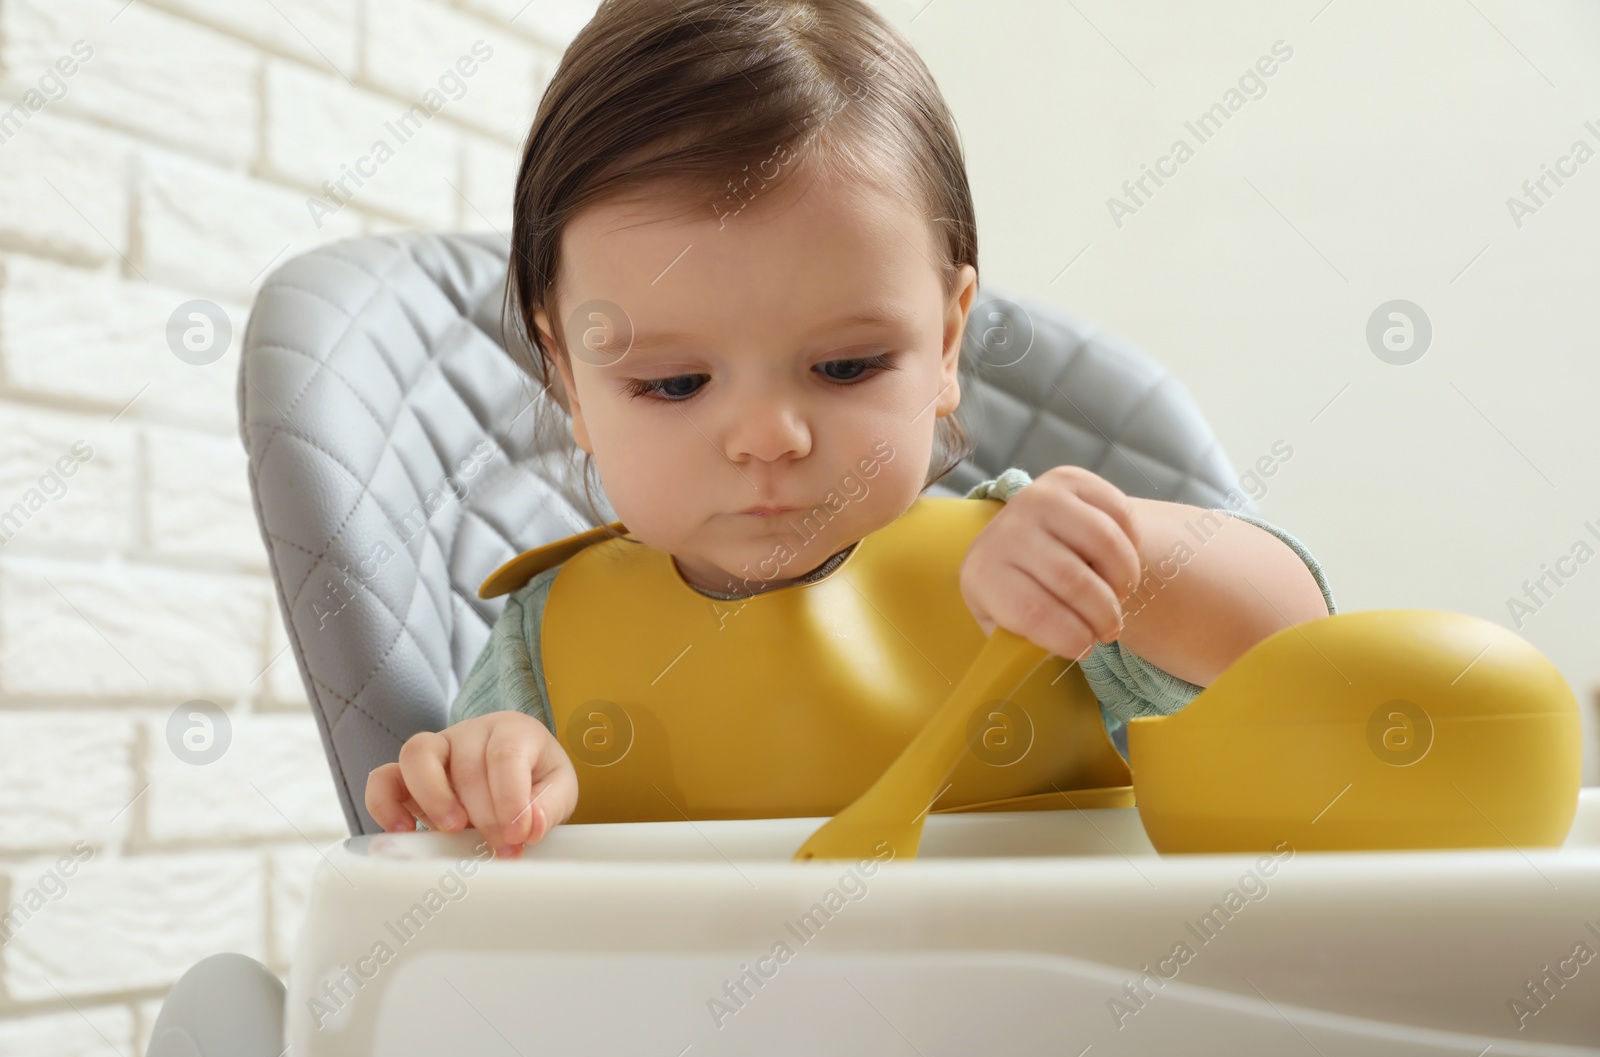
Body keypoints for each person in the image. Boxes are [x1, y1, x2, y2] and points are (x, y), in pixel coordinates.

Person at [366, 0, 1335, 859]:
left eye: (844, 367)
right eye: (671, 382)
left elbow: (1301, 651)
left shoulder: (1024, 578)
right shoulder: (547, 645)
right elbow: (483, 909)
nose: (768, 437)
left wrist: (1125, 558)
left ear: (947, 340)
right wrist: (488, 778)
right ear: (567, 378)